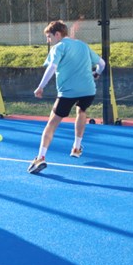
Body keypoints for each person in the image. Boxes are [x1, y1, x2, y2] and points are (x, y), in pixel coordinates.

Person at [28, 20, 105, 174]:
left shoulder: (59, 47)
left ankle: (40, 158)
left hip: (68, 92)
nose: (48, 40)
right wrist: (96, 73)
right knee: (81, 111)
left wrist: (41, 86)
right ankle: (76, 147)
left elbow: (52, 67)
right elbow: (101, 63)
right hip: (89, 90)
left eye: (49, 37)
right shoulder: (83, 45)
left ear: (57, 34)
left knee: (52, 123)